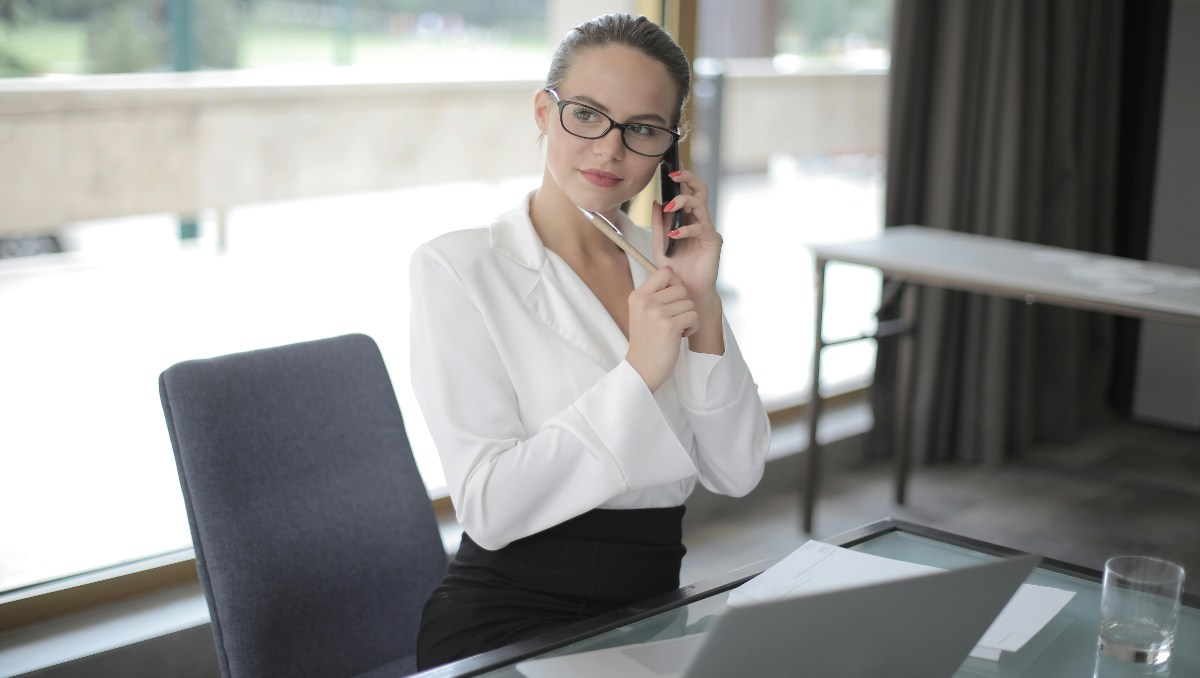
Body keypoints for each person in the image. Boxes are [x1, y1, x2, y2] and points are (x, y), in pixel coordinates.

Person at [408, 12, 771, 669]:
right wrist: (638, 372)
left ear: (670, 148)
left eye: (641, 129)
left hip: (651, 616)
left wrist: (703, 302)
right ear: (544, 113)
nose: (609, 150)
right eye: (587, 114)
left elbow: (738, 469)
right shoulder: (460, 268)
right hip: (510, 619)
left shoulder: (659, 270)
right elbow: (488, 509)